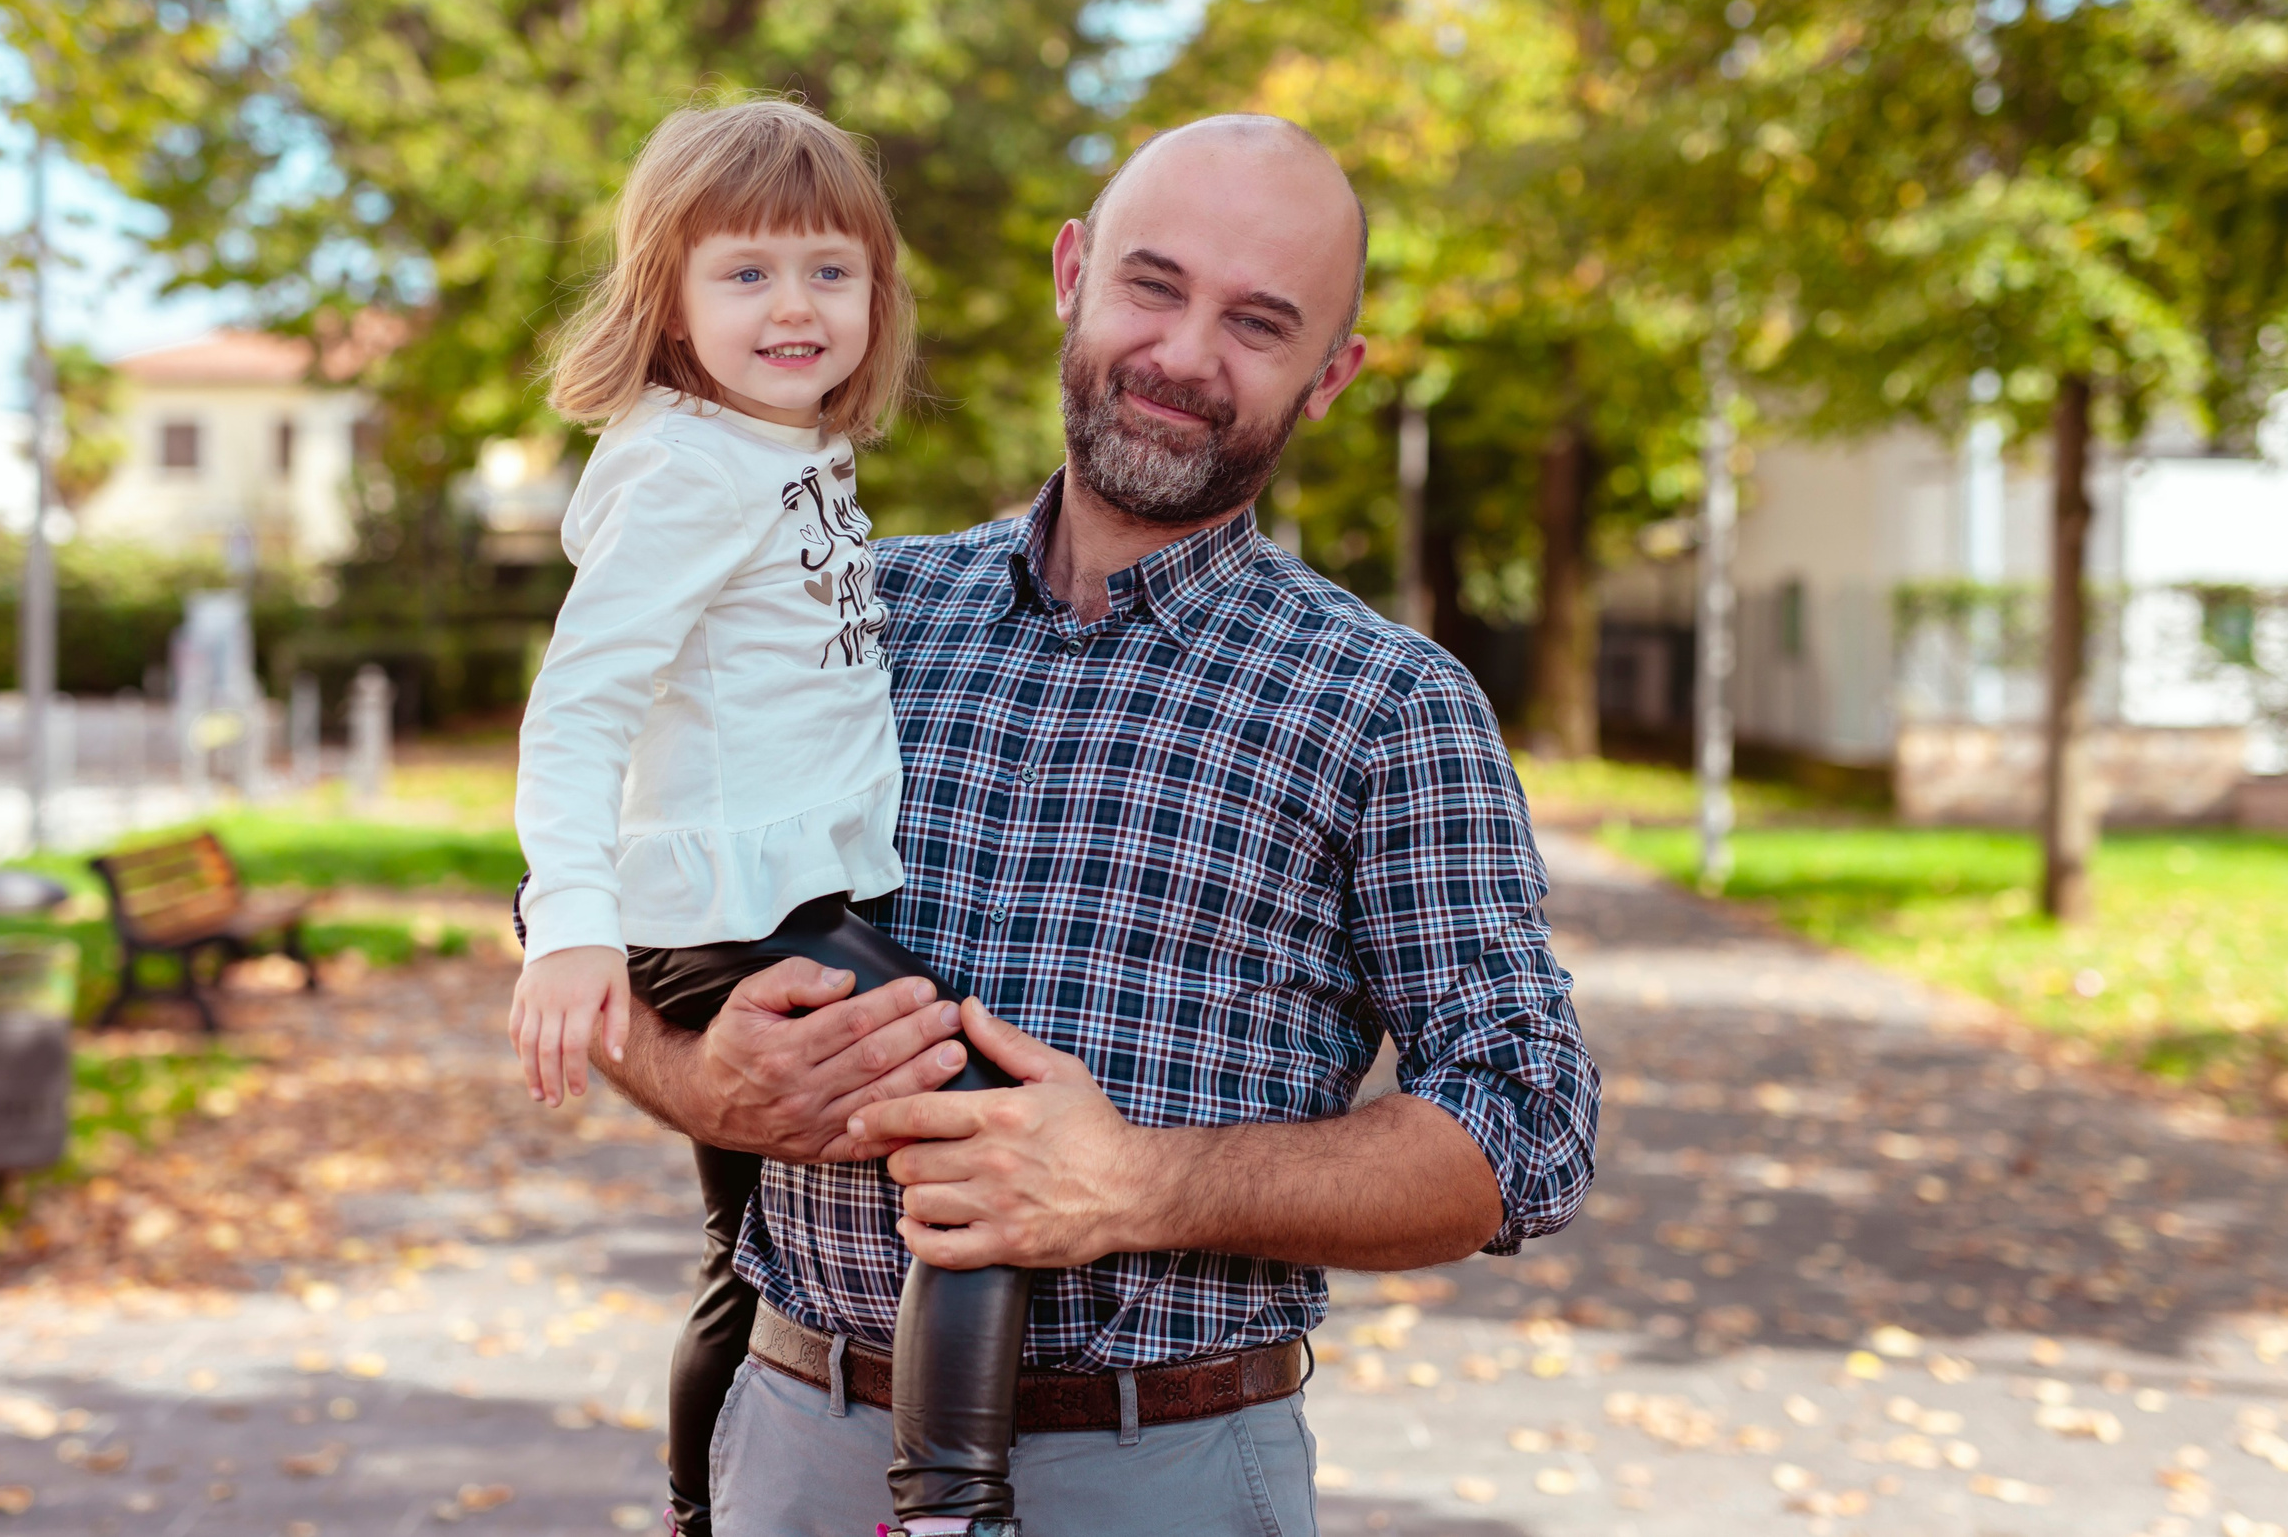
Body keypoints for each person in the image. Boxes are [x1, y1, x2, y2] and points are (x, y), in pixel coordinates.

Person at [589, 113, 1603, 1537]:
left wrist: (1142, 1181)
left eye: (1260, 323)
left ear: (1331, 378)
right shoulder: (841, 607)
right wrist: (698, 1083)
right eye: (1153, 284)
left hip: (1158, 1478)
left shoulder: (1387, 706)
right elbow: (573, 904)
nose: (1186, 355)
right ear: (1073, 273)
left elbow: (1528, 1129)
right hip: (797, 1453)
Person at [506, 96, 1035, 1537]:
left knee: (747, 1255)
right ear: (669, 306)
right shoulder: (685, 470)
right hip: (736, 917)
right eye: (745, 272)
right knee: (986, 1146)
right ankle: (950, 1509)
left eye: (829, 270)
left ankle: (695, 1512)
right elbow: (579, 714)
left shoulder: (773, 455)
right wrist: (567, 930)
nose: (793, 305)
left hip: (784, 899)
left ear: (878, 293)